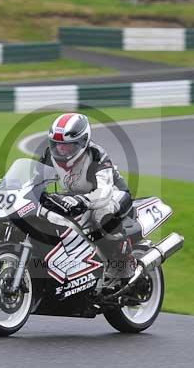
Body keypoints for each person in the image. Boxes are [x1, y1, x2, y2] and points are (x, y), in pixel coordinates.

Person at [39, 112, 136, 281]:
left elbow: (104, 193)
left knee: (102, 215)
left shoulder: (97, 155)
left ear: (83, 142)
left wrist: (81, 201)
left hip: (113, 195)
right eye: (57, 145)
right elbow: (35, 178)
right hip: (77, 196)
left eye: (68, 146)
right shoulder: (49, 155)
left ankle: (124, 261)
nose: (61, 150)